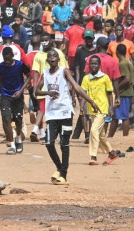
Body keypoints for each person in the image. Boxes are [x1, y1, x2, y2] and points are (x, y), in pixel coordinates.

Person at [37, 43, 99, 185]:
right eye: (50, 57)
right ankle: (59, 168)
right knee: (48, 142)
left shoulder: (64, 71)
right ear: (47, 60)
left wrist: (91, 101)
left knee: (64, 144)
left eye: (55, 57)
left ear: (58, 59)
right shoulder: (45, 73)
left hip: (65, 112)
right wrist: (48, 92)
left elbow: (76, 87)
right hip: (52, 114)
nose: (52, 59)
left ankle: (63, 175)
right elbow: (36, 91)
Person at [0, 47, 31, 154]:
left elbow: (29, 77)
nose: (7, 61)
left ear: (12, 56)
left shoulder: (20, 65)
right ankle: (12, 143)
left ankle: (18, 137)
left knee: (18, 119)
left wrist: (21, 90)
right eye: (5, 59)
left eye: (9, 59)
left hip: (17, 96)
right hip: (5, 95)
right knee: (6, 118)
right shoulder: (0, 67)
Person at [81, 55, 120, 165]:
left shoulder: (105, 78)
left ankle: (93, 156)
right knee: (100, 134)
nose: (93, 66)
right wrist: (82, 107)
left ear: (99, 65)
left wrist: (111, 108)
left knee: (93, 130)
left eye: (95, 64)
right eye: (91, 64)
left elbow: (109, 94)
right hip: (91, 109)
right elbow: (83, 94)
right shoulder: (86, 78)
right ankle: (112, 153)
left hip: (102, 109)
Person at [108, 44, 134, 138]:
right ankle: (110, 136)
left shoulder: (122, 63)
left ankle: (124, 137)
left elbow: (127, 79)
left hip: (124, 93)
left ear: (116, 52)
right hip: (126, 92)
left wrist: (117, 88)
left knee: (123, 117)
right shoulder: (127, 61)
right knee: (117, 116)